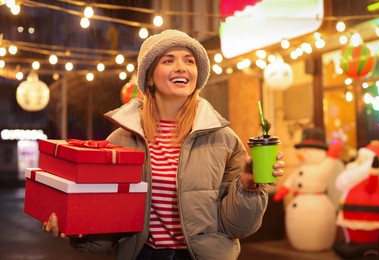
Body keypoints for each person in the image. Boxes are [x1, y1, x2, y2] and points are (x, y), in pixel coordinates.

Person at [43, 29, 285, 260]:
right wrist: (75, 226)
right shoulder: (120, 140)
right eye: (168, 60)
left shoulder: (224, 139)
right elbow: (109, 221)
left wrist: (248, 185)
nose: (181, 67)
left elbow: (238, 226)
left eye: (189, 61)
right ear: (149, 75)